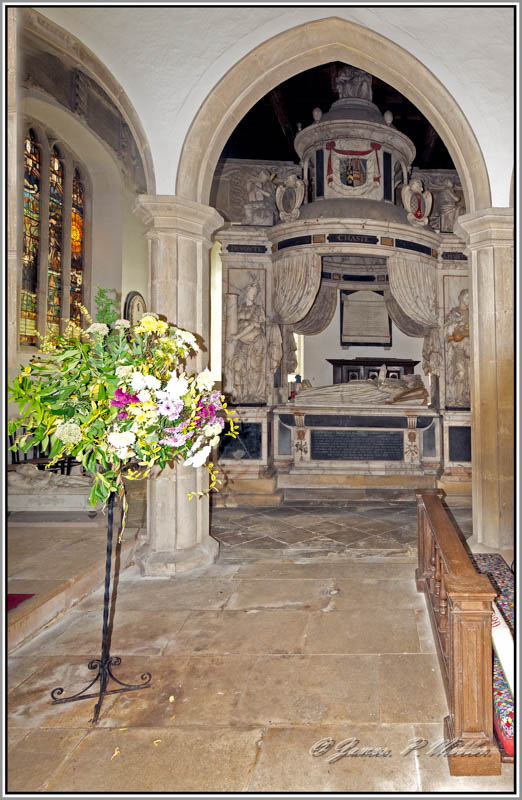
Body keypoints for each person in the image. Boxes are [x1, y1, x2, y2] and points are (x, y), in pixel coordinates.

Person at [444, 289, 470, 406]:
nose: (468, 300)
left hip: (471, 349)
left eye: (470, 297)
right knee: (461, 372)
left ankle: (468, 396)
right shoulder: (453, 313)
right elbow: (446, 332)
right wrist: (457, 325)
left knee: (471, 374)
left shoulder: (472, 313)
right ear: (460, 297)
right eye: (466, 297)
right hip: (458, 348)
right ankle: (458, 398)